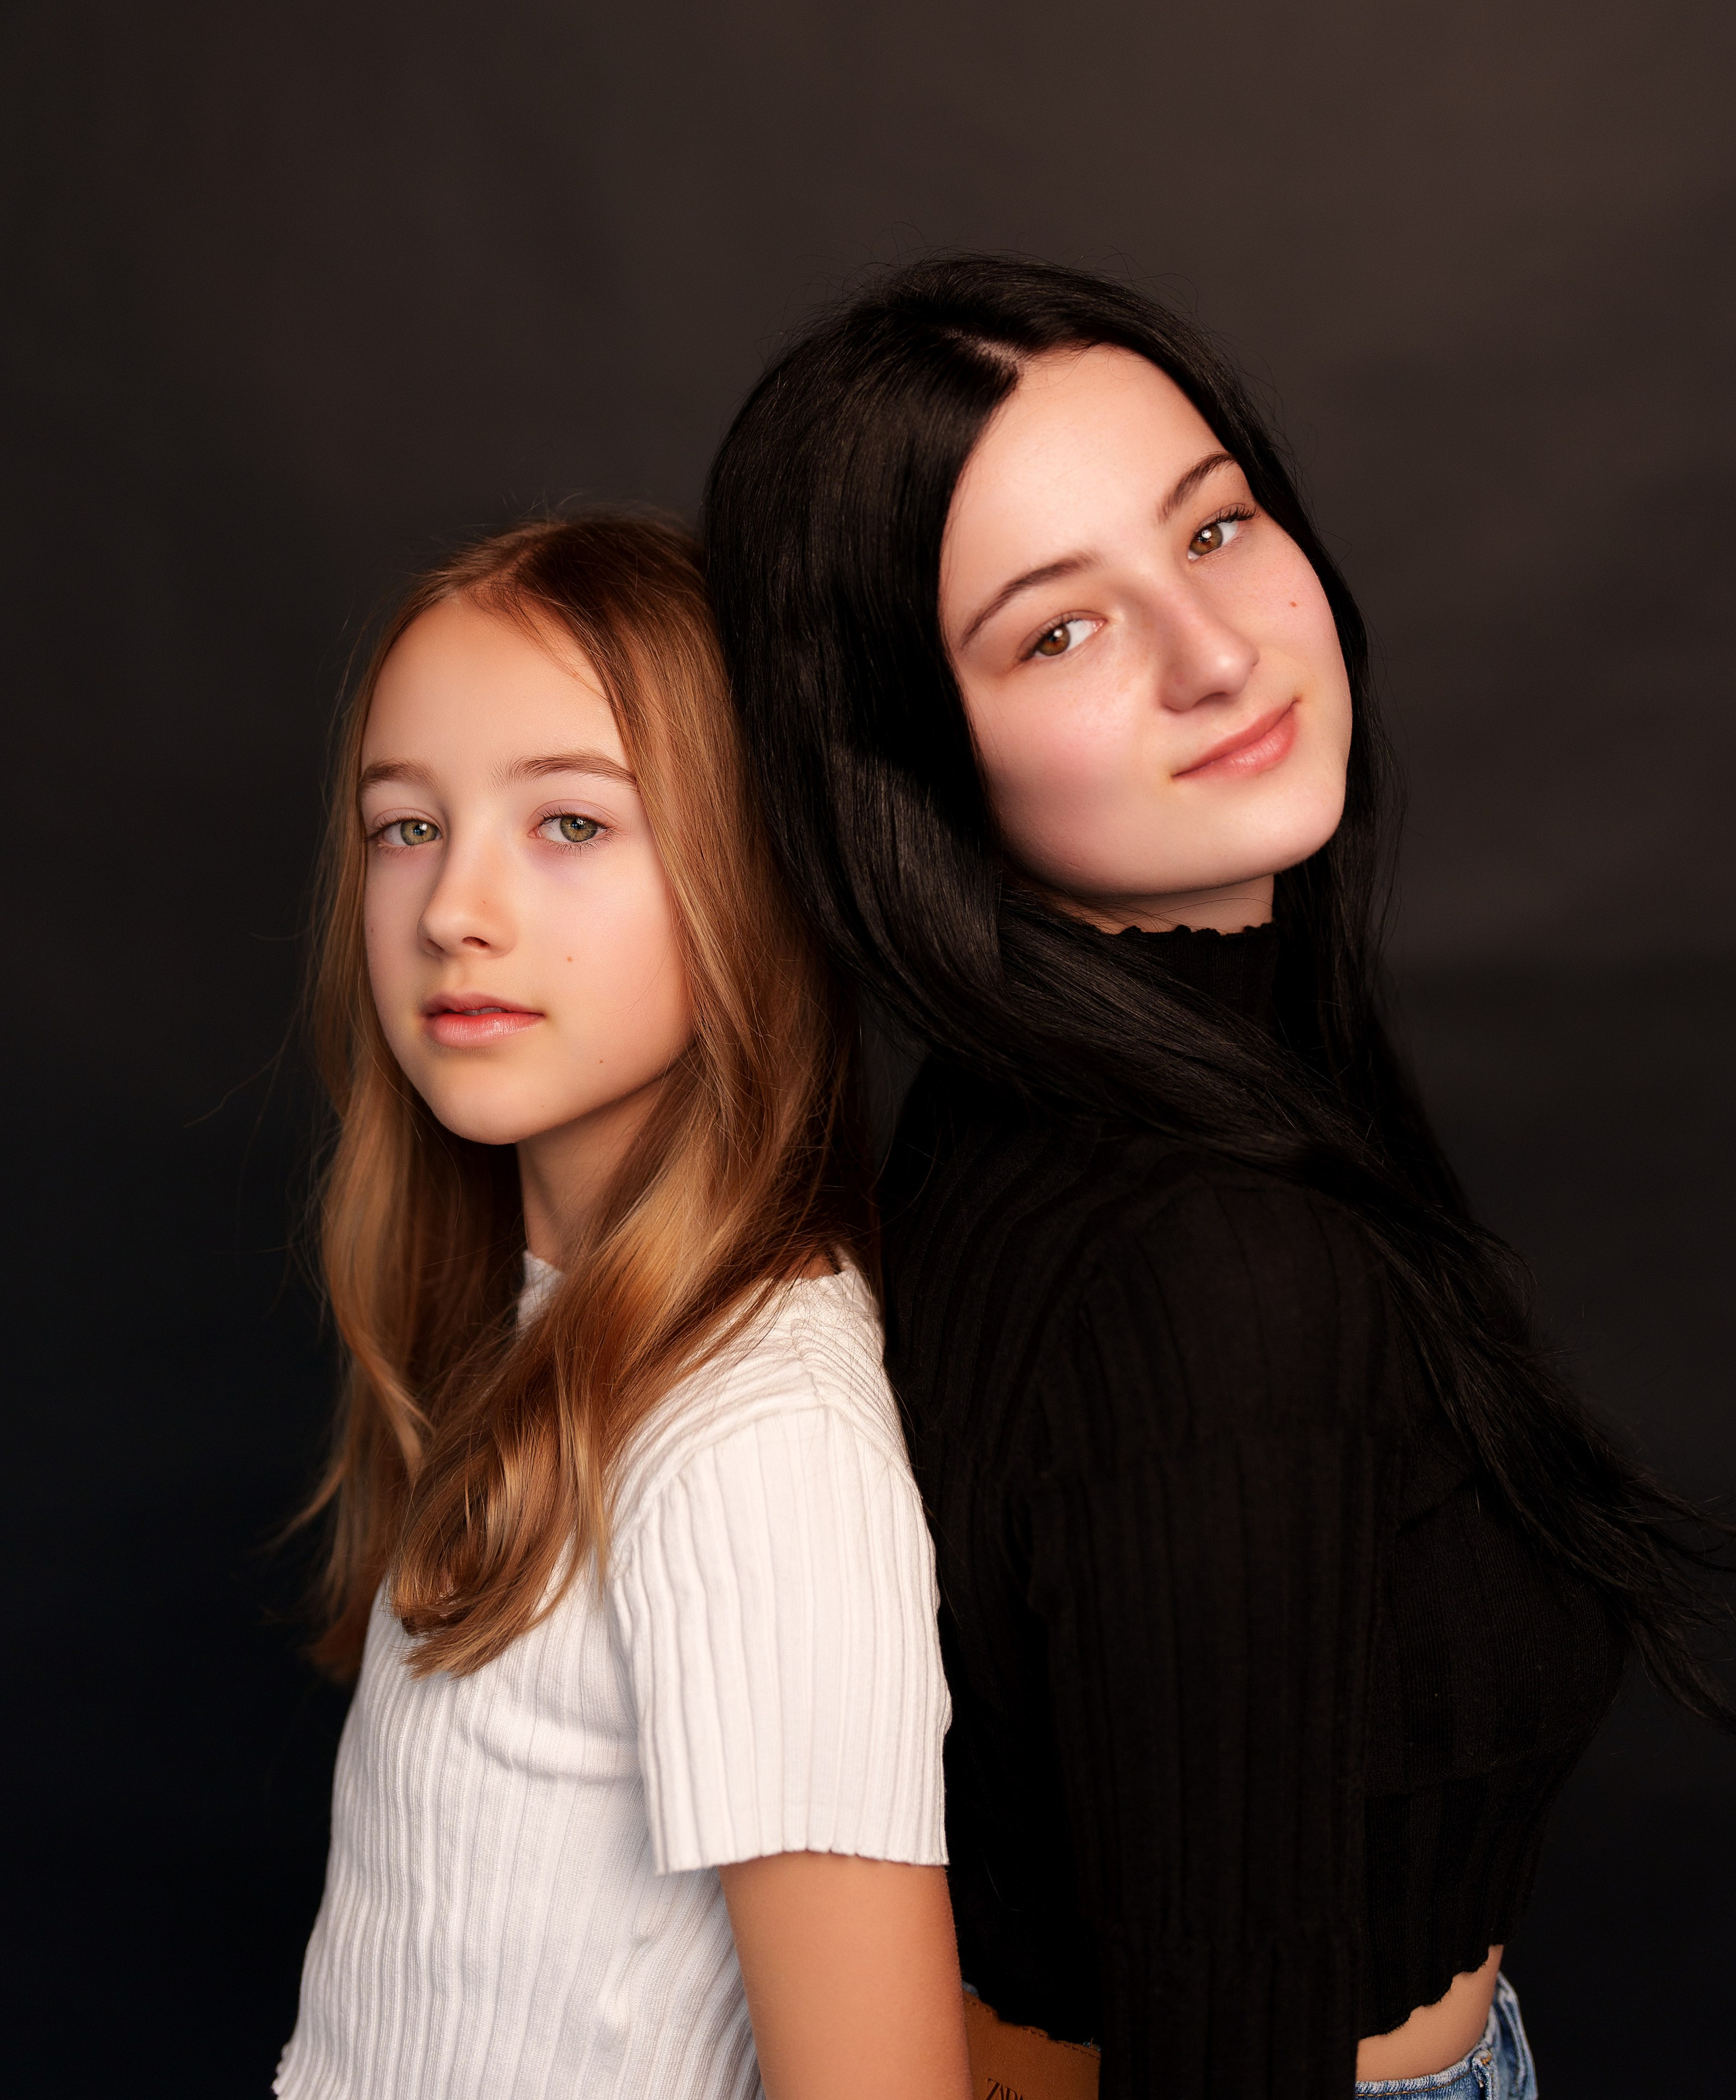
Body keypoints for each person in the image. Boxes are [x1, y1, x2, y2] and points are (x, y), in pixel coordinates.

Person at [701, 258, 1734, 2099]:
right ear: (905, 756)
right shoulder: (1213, 1265)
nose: (1216, 653)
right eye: (1058, 631)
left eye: (1214, 527)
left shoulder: (1050, 1107)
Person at [275, 514, 972, 2100]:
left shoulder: (756, 1441)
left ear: (747, 874)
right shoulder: (551, 1324)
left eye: (572, 821)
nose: (453, 907)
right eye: (405, 825)